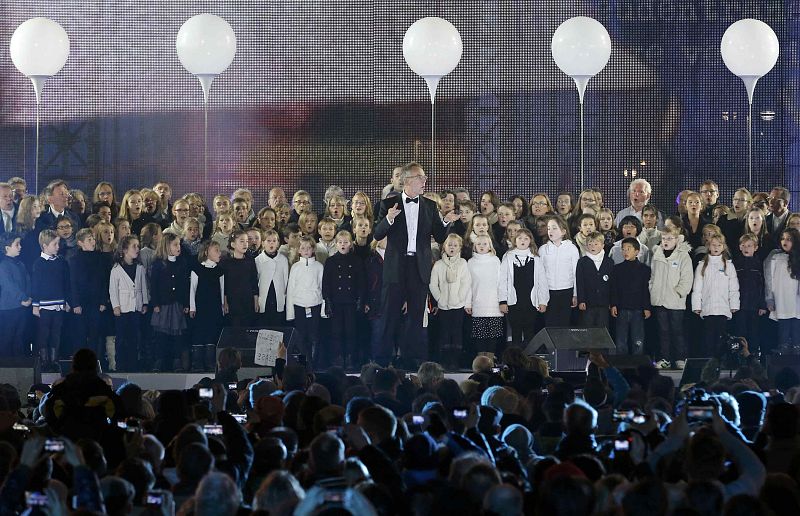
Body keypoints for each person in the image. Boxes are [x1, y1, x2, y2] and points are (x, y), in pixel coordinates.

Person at [373, 162, 457, 368]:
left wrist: (445, 222)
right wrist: (389, 219)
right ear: (408, 180)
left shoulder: (429, 205)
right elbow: (377, 233)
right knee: (389, 314)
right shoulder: (389, 202)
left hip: (418, 267)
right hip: (395, 267)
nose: (424, 181)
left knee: (416, 317)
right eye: (421, 177)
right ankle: (382, 359)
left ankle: (412, 359)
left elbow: (438, 235)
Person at [649, 227, 693, 368]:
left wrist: (679, 292)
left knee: (677, 331)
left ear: (677, 239)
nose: (666, 241)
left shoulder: (683, 255)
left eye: (669, 238)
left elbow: (687, 277)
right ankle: (665, 359)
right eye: (664, 238)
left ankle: (680, 358)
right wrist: (653, 290)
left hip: (675, 301)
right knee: (663, 331)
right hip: (660, 300)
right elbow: (653, 276)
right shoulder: (657, 255)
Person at [498, 228, 549, 349]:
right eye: (520, 238)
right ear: (515, 240)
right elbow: (502, 281)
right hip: (513, 301)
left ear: (530, 241)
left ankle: (529, 360)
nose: (523, 240)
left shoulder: (536, 259)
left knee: (529, 332)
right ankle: (515, 361)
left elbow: (542, 282)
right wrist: (503, 301)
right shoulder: (508, 257)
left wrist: (543, 301)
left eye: (526, 238)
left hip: (530, 301)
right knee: (515, 331)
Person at [692, 234, 740, 358]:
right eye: (714, 245)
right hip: (708, 308)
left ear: (723, 247)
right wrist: (696, 305)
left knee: (721, 338)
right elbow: (697, 288)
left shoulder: (729, 265)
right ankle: (709, 361)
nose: (716, 247)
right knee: (708, 337)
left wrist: (734, 304)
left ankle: (721, 360)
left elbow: (734, 288)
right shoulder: (702, 265)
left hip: (723, 309)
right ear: (709, 246)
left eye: (719, 245)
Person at [322, 231, 366, 369]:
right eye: (340, 242)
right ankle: (338, 358)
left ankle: (350, 358)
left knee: (351, 332)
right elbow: (326, 283)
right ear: (336, 244)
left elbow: (361, 282)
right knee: (336, 332)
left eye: (346, 242)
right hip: (336, 302)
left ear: (351, 244)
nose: (343, 245)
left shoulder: (357, 260)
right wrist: (327, 301)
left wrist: (361, 300)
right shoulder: (330, 261)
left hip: (351, 303)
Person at [149, 233, 190, 372]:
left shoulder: (182, 263)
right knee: (161, 335)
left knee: (177, 334)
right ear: (167, 246)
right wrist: (155, 304)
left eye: (179, 244)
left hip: (177, 304)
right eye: (175, 245)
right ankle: (160, 361)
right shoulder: (158, 264)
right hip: (163, 304)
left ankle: (176, 361)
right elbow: (153, 285)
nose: (179, 247)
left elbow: (185, 285)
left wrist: (185, 304)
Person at [429, 234, 472, 368]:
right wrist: (440, 298)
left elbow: (466, 282)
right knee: (444, 332)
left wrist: (460, 298)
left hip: (458, 305)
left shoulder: (462, 263)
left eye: (455, 245)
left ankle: (455, 359)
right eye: (449, 245)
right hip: (443, 306)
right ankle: (445, 359)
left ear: (459, 248)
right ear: (444, 247)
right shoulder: (439, 265)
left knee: (456, 332)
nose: (452, 248)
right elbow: (433, 284)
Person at [31, 229, 70, 371]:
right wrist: (35, 305)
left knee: (56, 333)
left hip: (59, 304)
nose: (57, 247)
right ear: (45, 246)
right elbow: (35, 285)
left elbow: (65, 283)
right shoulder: (39, 263)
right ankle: (43, 360)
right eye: (54, 244)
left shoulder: (61, 262)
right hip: (44, 306)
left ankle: (54, 359)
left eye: (58, 244)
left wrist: (66, 301)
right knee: (43, 333)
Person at [109, 235, 149, 371]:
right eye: (134, 246)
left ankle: (133, 364)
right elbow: (113, 289)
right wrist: (116, 306)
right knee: (121, 339)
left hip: (135, 308)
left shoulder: (139, 268)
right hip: (122, 309)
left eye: (138, 246)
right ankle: (121, 365)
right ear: (125, 249)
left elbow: (143, 287)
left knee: (134, 338)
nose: (137, 249)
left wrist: (144, 303)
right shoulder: (116, 269)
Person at [67, 228, 107, 359]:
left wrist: (103, 300)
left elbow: (103, 281)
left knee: (95, 334)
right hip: (81, 303)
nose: (93, 242)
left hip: (95, 302)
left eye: (93, 239)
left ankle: (95, 361)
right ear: (80, 243)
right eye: (89, 240)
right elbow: (73, 283)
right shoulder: (74, 260)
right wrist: (76, 303)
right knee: (80, 334)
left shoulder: (100, 258)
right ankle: (79, 362)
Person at [286, 235, 325, 366]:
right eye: (303, 248)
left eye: (309, 248)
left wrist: (323, 310)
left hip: (315, 305)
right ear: (298, 250)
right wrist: (290, 313)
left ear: (313, 249)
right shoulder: (295, 267)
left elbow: (323, 288)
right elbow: (290, 290)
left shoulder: (319, 267)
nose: (306, 250)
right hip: (299, 306)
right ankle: (303, 362)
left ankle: (315, 363)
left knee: (314, 335)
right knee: (301, 336)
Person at [610, 237, 651, 355]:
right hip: (622, 309)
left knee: (637, 340)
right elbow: (614, 289)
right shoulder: (617, 269)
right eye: (623, 249)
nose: (625, 252)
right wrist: (613, 304)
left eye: (629, 249)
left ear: (637, 251)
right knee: (621, 340)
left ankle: (637, 365)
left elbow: (645, 290)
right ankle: (622, 365)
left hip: (637, 309)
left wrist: (646, 308)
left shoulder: (644, 270)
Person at [189, 240, 225, 372]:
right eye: (216, 250)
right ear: (206, 252)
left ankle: (210, 362)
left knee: (212, 333)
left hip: (214, 309)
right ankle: (197, 363)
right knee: (199, 333)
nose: (219, 253)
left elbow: (222, 290)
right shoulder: (197, 269)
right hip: (200, 308)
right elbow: (192, 290)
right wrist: (192, 307)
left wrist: (222, 307)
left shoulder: (220, 271)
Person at [466, 235, 504, 356]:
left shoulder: (495, 260)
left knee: (492, 336)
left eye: (485, 244)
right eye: (479, 244)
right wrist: (468, 303)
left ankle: (490, 360)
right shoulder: (471, 262)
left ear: (490, 246)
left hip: (494, 304)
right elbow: (468, 284)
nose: (482, 246)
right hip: (478, 304)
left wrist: (502, 301)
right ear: (474, 246)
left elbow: (500, 282)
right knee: (480, 336)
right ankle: (481, 361)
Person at [539, 215, 579, 327]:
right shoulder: (543, 250)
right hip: (549, 292)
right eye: (548, 228)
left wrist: (575, 294)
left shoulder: (572, 249)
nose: (550, 231)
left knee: (564, 323)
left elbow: (576, 273)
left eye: (554, 228)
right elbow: (540, 275)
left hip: (566, 291)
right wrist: (541, 297)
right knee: (549, 324)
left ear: (563, 231)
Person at [765, 229, 800, 352]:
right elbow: (769, 279)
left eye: (789, 239)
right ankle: (783, 349)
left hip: (796, 300)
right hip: (781, 299)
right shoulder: (775, 257)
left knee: (796, 325)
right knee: (783, 325)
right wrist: (769, 298)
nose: (785, 241)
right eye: (783, 238)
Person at [733, 233, 768, 356]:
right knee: (740, 332)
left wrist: (762, 305)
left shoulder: (759, 265)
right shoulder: (735, 264)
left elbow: (763, 285)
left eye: (749, 245)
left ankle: (753, 358)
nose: (746, 248)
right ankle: (740, 357)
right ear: (740, 247)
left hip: (754, 306)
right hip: (740, 305)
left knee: (754, 333)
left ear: (756, 247)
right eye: (744, 245)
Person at [0, 233, 30, 357]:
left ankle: (19, 368)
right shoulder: (3, 266)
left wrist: (29, 296)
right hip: (9, 308)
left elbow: (28, 281)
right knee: (8, 338)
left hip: (21, 307)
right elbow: (9, 285)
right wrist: (22, 298)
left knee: (19, 337)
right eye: (17, 244)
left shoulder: (20, 264)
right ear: (7, 248)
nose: (20, 247)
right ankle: (6, 369)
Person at [575, 231, 613, 330]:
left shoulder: (609, 262)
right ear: (586, 246)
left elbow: (612, 284)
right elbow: (580, 282)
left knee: (602, 329)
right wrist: (581, 300)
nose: (593, 246)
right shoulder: (582, 262)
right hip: (588, 303)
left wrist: (611, 302)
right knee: (588, 328)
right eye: (590, 244)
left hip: (603, 303)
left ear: (602, 245)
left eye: (596, 244)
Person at [221, 229, 259, 328]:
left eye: (247, 241)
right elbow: (225, 285)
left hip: (248, 300)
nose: (245, 244)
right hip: (232, 301)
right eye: (241, 241)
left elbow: (254, 281)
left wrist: (255, 300)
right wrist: (225, 302)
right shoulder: (226, 263)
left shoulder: (250, 261)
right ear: (233, 244)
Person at [255, 229, 289, 328]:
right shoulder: (258, 260)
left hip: (278, 297)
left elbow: (285, 280)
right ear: (263, 243)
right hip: (264, 297)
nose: (271, 243)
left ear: (278, 243)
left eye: (274, 241)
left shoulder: (283, 259)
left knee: (277, 324)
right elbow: (256, 280)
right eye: (268, 241)